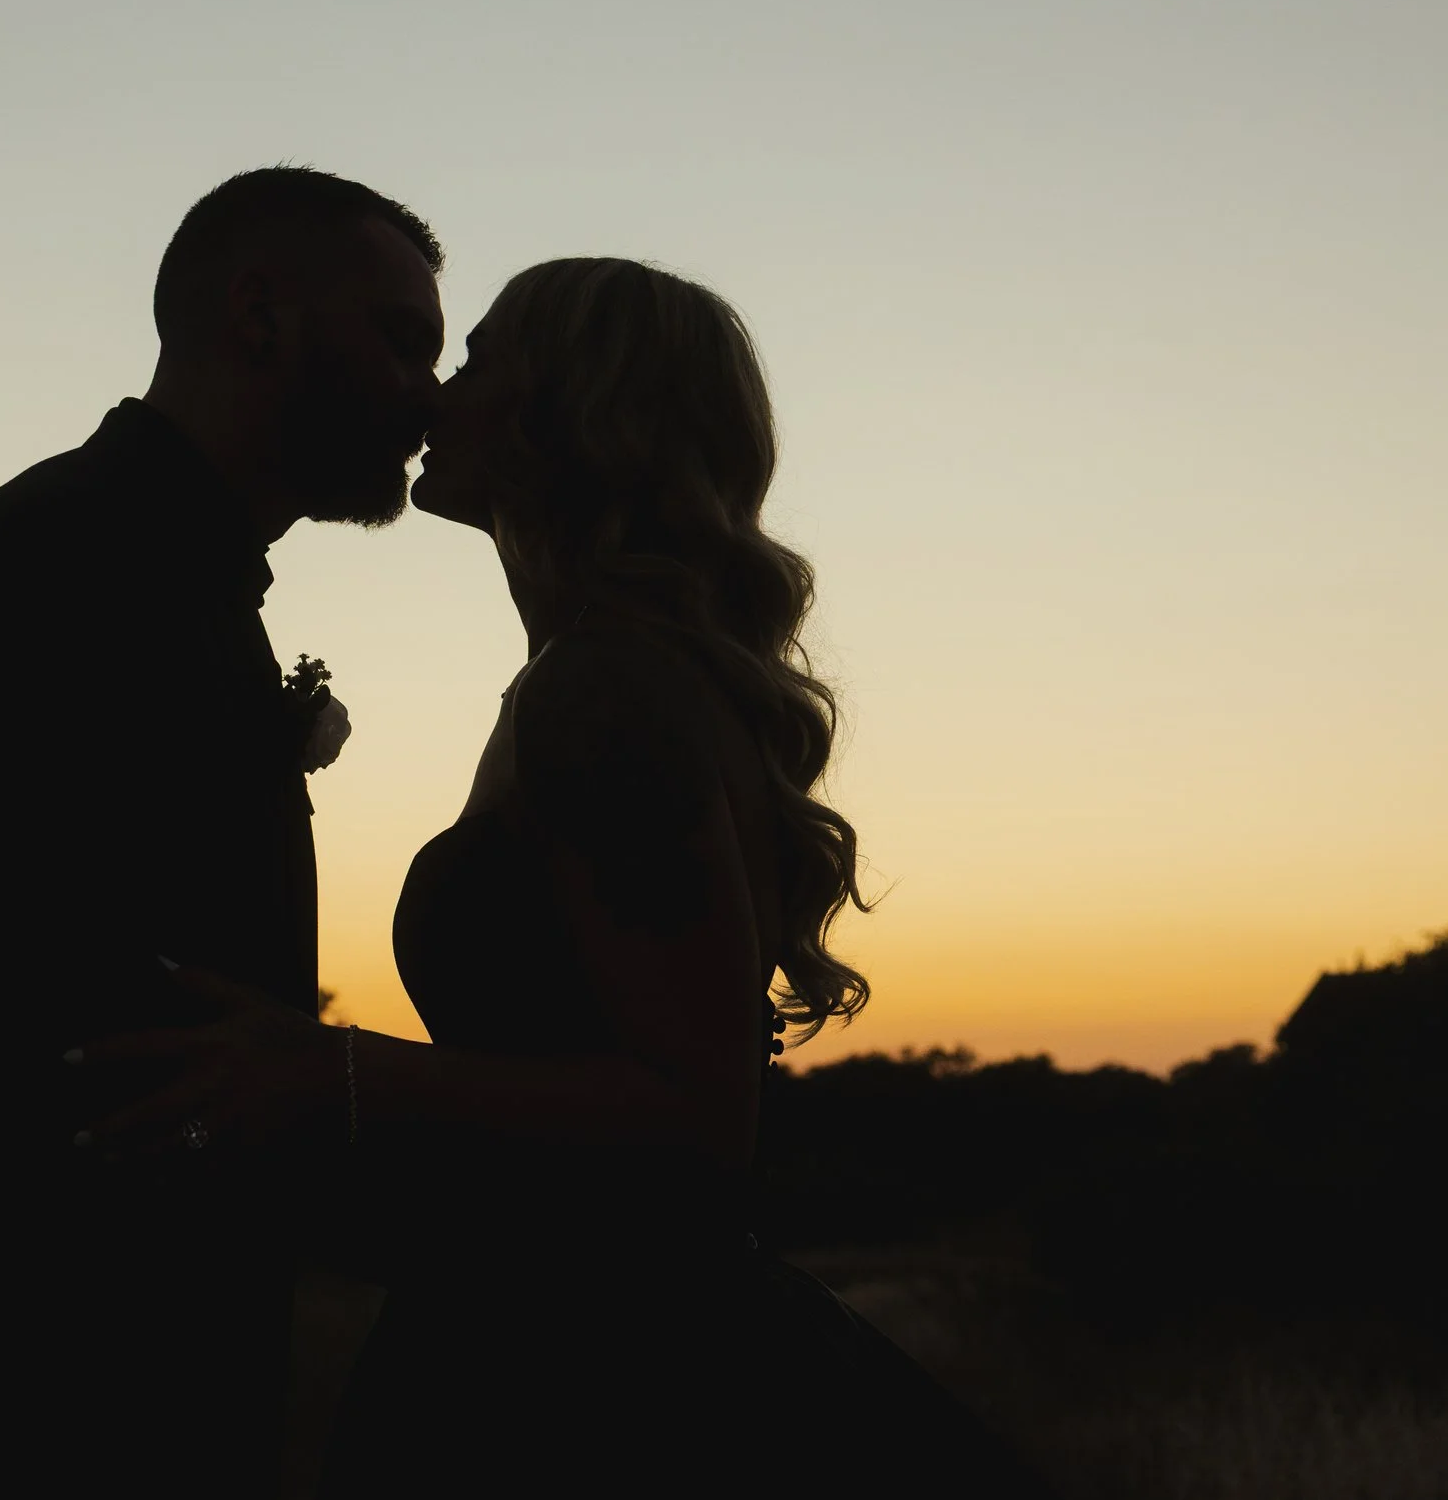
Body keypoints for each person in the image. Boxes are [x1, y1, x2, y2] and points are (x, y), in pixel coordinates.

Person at [78, 258, 1047, 1495]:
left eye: (477, 359)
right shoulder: (594, 675)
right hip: (531, 1327)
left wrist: (330, 1072)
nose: (433, 395)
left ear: (579, 408)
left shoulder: (610, 692)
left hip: (597, 1384)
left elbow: (694, 1118)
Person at [0, 167, 445, 1498]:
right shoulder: (59, 569)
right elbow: (75, 1049)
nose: (433, 394)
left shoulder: (151, 569)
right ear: (260, 315)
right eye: (403, 338)